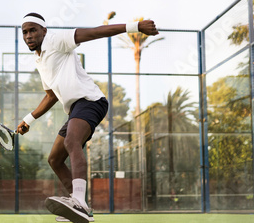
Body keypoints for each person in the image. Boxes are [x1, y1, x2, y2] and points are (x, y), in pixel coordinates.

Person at [16, 13, 159, 223]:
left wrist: (135, 26)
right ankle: (82, 209)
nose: (28, 35)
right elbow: (51, 95)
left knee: (71, 141)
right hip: (75, 108)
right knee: (55, 159)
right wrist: (29, 119)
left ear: (44, 31)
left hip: (91, 101)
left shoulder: (56, 40)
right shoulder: (40, 60)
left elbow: (94, 32)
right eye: (25, 32)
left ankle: (79, 202)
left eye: (33, 30)